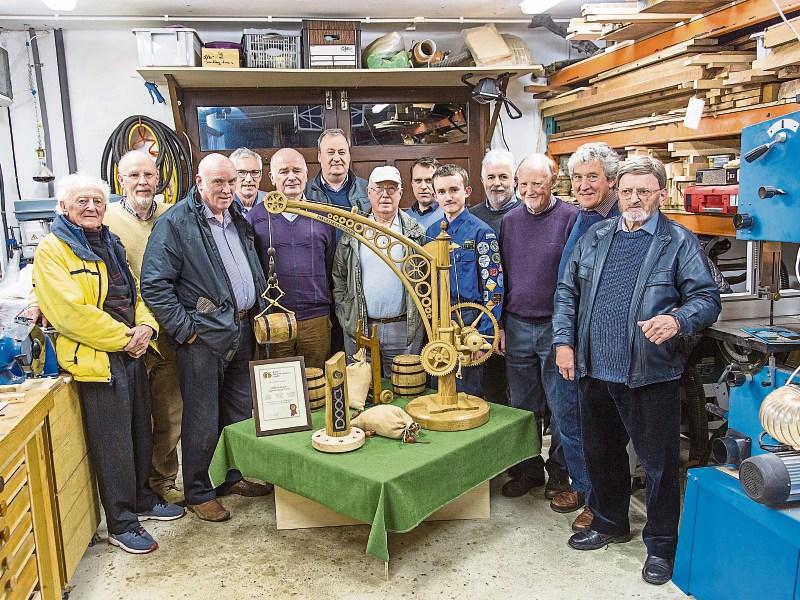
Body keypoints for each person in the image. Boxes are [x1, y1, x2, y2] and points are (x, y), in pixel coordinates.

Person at [552, 156, 721, 586]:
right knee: (603, 454)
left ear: (661, 194)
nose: (634, 199)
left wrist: (678, 320)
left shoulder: (678, 241)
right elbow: (567, 292)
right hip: (593, 369)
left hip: (649, 374)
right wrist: (564, 343)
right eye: (627, 191)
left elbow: (706, 298)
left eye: (643, 191)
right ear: (617, 192)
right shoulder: (598, 235)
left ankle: (662, 545)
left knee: (659, 465)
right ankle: (610, 522)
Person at [32, 173, 184, 554]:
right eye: (81, 201)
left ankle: (143, 500)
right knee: (113, 442)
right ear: (64, 207)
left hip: (132, 351)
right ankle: (120, 521)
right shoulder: (54, 250)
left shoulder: (110, 243)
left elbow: (136, 291)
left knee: (139, 431)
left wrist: (146, 327)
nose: (91, 207)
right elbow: (69, 312)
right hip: (99, 359)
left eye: (97, 201)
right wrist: (124, 339)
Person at [141, 153, 272, 523]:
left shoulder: (238, 219)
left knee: (236, 411)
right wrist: (187, 331)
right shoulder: (177, 223)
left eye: (231, 181)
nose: (227, 188)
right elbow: (154, 284)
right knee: (201, 417)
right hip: (203, 339)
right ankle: (199, 491)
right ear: (199, 182)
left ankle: (230, 477)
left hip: (242, 328)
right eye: (218, 182)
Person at [102, 150, 184, 507]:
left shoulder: (173, 215)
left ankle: (164, 480)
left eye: (148, 175)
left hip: (165, 332)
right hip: (123, 336)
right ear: (122, 180)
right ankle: (134, 490)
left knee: (169, 413)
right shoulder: (104, 218)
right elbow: (57, 255)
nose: (142, 182)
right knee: (132, 418)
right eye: (134, 175)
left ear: (158, 178)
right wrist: (35, 298)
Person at [550, 141, 622, 532]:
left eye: (591, 176)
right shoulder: (584, 216)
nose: (582, 184)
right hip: (570, 337)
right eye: (577, 177)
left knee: (596, 423)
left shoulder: (621, 220)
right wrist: (565, 340)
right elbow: (569, 285)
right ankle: (583, 486)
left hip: (598, 342)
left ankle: (600, 499)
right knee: (568, 417)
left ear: (610, 179)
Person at [499, 154, 577, 499]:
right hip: (516, 324)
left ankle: (559, 472)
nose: (530, 190)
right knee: (522, 406)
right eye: (524, 184)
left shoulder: (571, 218)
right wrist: (499, 323)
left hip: (554, 328)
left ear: (553, 183)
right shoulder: (510, 221)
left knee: (560, 402)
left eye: (538, 184)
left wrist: (567, 333)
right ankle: (528, 469)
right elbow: (499, 276)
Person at [247, 148, 336, 369]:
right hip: (274, 317)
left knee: (317, 384)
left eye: (297, 170)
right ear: (272, 177)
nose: (291, 177)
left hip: (316, 319)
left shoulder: (322, 214)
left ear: (306, 174)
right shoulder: (256, 217)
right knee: (281, 388)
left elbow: (330, 262)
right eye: (284, 171)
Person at [333, 166, 426, 374]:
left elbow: (427, 283)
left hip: (404, 329)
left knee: (404, 389)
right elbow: (338, 277)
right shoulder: (353, 233)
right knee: (361, 392)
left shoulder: (416, 234)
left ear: (401, 193)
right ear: (369, 192)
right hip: (360, 326)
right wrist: (345, 314)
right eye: (379, 188)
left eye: (392, 189)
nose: (385, 194)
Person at [426, 164, 503, 397]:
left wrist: (486, 334)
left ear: (467, 191)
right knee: (439, 382)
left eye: (454, 190)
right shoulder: (430, 232)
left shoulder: (482, 232)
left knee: (467, 391)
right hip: (439, 319)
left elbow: (494, 286)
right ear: (434, 195)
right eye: (441, 192)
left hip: (471, 321)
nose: (448, 197)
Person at [304, 128, 370, 214]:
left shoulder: (367, 189)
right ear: (319, 156)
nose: (336, 158)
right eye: (331, 152)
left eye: (341, 152)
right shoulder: (305, 192)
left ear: (349, 156)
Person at [469, 148, 519, 232]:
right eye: (491, 177)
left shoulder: (528, 214)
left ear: (515, 180)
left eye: (503, 177)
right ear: (482, 181)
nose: (496, 183)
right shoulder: (471, 217)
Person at [405, 157, 443, 230]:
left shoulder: (449, 214)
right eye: (418, 181)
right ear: (412, 184)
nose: (423, 186)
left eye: (429, 180)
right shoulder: (404, 217)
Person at [231, 147, 266, 215]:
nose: (248, 179)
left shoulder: (271, 202)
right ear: (231, 176)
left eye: (254, 172)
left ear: (261, 175)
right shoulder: (224, 205)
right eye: (241, 172)